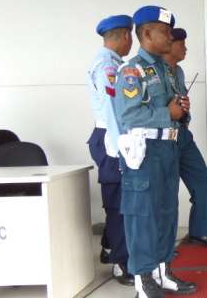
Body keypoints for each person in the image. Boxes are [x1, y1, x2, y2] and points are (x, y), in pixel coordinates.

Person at [114, 5, 196, 298]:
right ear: (146, 33)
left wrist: (182, 112)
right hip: (144, 151)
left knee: (166, 212)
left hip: (168, 148)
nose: (169, 36)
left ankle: (163, 270)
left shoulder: (166, 70)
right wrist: (167, 112)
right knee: (143, 215)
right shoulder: (132, 70)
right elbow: (129, 116)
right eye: (165, 31)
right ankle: (143, 277)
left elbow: (175, 109)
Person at [86, 14, 134, 286]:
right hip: (111, 139)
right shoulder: (108, 66)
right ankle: (121, 263)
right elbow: (111, 110)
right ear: (125, 36)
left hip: (110, 136)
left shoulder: (111, 62)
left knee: (118, 199)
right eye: (131, 37)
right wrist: (120, 149)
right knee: (119, 204)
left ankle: (109, 247)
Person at [163, 28, 207, 248]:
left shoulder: (178, 72)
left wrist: (185, 109)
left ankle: (199, 232)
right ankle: (164, 247)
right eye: (182, 44)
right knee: (168, 192)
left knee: (202, 180)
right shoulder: (156, 71)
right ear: (170, 44)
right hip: (164, 136)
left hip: (183, 134)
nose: (185, 48)